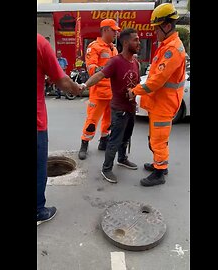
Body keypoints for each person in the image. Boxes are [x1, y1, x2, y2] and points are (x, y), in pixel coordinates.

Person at [127, 3, 186, 187]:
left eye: (156, 28)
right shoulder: (167, 45)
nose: (155, 32)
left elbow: (156, 81)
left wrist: (134, 91)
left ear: (167, 26)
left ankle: (160, 172)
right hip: (160, 101)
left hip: (165, 103)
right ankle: (158, 164)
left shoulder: (172, 50)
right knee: (155, 137)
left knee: (159, 139)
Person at [80, 28, 141, 183]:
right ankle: (106, 169)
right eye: (136, 40)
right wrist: (84, 86)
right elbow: (99, 75)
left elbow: (137, 84)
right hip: (118, 107)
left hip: (131, 107)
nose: (139, 42)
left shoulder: (136, 63)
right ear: (126, 42)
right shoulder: (115, 61)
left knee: (126, 137)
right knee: (114, 139)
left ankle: (122, 158)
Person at [37, 34, 82, 225]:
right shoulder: (40, 43)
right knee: (39, 167)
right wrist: (76, 88)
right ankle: (38, 210)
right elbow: (62, 81)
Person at [77, 19, 120, 160]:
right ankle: (84, 144)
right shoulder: (94, 47)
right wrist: (106, 69)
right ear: (106, 30)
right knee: (91, 121)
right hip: (99, 93)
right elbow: (91, 69)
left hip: (112, 93)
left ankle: (103, 142)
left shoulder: (113, 48)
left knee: (108, 122)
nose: (116, 33)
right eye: (113, 30)